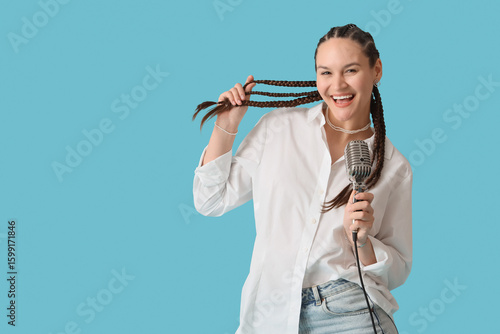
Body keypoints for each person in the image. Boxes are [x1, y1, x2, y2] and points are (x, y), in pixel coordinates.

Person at [192, 23, 412, 334]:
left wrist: (363, 242)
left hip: (351, 312)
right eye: (326, 72)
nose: (338, 85)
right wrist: (225, 126)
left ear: (376, 70)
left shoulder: (394, 166)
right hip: (271, 313)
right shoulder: (278, 128)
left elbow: (398, 269)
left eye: (350, 70)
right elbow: (209, 200)